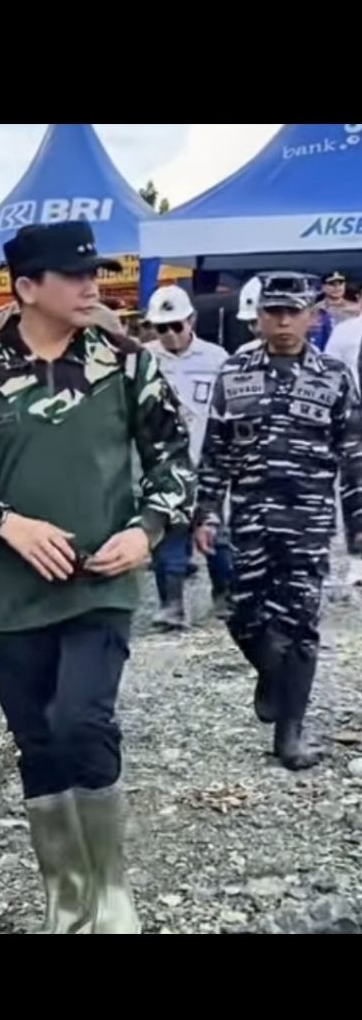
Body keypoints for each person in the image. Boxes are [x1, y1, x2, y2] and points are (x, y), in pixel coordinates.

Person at [0, 221, 195, 935]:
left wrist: (146, 529)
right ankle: (66, 899)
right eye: (74, 275)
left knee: (81, 721)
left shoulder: (125, 360)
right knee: (38, 741)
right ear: (26, 287)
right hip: (15, 597)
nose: (91, 286)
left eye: (93, 273)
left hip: (100, 585)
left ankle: (112, 893)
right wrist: (6, 522)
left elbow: (173, 460)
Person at [194, 274, 362, 769]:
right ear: (260, 317)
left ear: (313, 316)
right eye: (274, 312)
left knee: (301, 624)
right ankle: (271, 675)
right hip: (250, 519)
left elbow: (354, 457)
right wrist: (206, 511)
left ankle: (290, 735)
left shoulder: (334, 376)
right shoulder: (234, 372)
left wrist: (358, 523)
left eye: (293, 312)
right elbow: (217, 450)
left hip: (308, 522)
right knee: (242, 613)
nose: (283, 321)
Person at [143, 285, 232, 628]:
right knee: (167, 533)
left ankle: (225, 595)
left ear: (191, 321)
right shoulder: (143, 359)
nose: (169, 334)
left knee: (216, 532)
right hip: (162, 461)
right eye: (161, 327)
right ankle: (172, 604)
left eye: (176, 325)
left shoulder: (216, 358)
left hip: (207, 458)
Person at [309, 272, 349, 350]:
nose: (337, 288)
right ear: (323, 287)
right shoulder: (315, 310)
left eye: (340, 284)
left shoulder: (355, 309)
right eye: (332, 284)